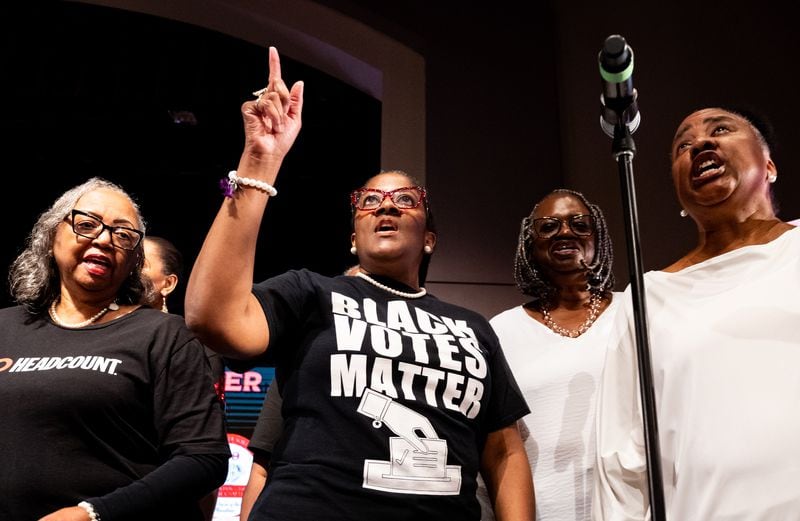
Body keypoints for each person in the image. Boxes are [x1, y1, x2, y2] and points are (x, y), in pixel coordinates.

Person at [184, 46, 535, 520]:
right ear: (353, 238)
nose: (386, 206)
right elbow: (211, 318)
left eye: (404, 199)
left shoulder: (473, 328)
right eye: (370, 200)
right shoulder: (312, 293)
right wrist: (258, 163)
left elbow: (504, 452)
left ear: (428, 238)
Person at [592, 106, 800, 520]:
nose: (700, 143)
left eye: (721, 129)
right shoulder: (649, 296)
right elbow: (621, 466)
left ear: (770, 165)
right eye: (683, 145)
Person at [0, 177, 231, 521]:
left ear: (134, 260)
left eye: (123, 235)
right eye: (87, 224)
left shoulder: (165, 335)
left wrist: (94, 513)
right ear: (51, 236)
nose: (105, 239)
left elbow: (204, 459)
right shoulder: (5, 327)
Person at [476, 189, 619, 520]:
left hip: (632, 507)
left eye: (579, 224)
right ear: (530, 243)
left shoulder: (634, 313)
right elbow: (494, 445)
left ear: (597, 236)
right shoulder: (502, 331)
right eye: (549, 226)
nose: (566, 232)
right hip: (543, 509)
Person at [141, 234, 227, 521]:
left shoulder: (190, 346)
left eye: (141, 263)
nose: (130, 269)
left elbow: (202, 452)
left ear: (169, 283)